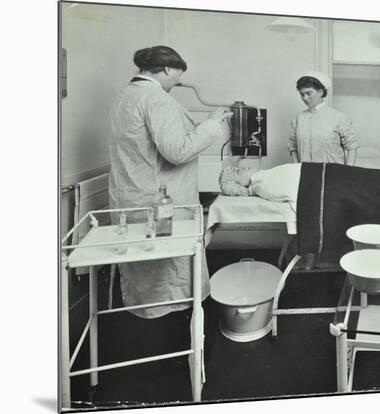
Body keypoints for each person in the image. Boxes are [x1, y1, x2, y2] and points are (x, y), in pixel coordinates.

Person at [108, 45, 232, 323]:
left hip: (132, 198)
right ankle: (174, 340)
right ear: (166, 69)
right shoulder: (157, 99)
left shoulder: (126, 95)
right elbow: (177, 152)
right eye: (178, 75)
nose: (179, 81)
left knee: (144, 278)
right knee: (169, 282)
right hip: (160, 203)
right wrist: (212, 125)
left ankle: (149, 330)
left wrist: (195, 128)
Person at [288, 71, 359, 165]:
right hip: (306, 175)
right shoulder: (298, 119)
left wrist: (347, 174)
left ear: (321, 92)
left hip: (334, 175)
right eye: (302, 94)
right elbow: (293, 148)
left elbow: (352, 147)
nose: (305, 98)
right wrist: (296, 169)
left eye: (309, 93)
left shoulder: (339, 118)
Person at [218, 161, 301, 204]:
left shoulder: (261, 179)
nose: (242, 167)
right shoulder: (263, 185)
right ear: (242, 186)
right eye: (238, 171)